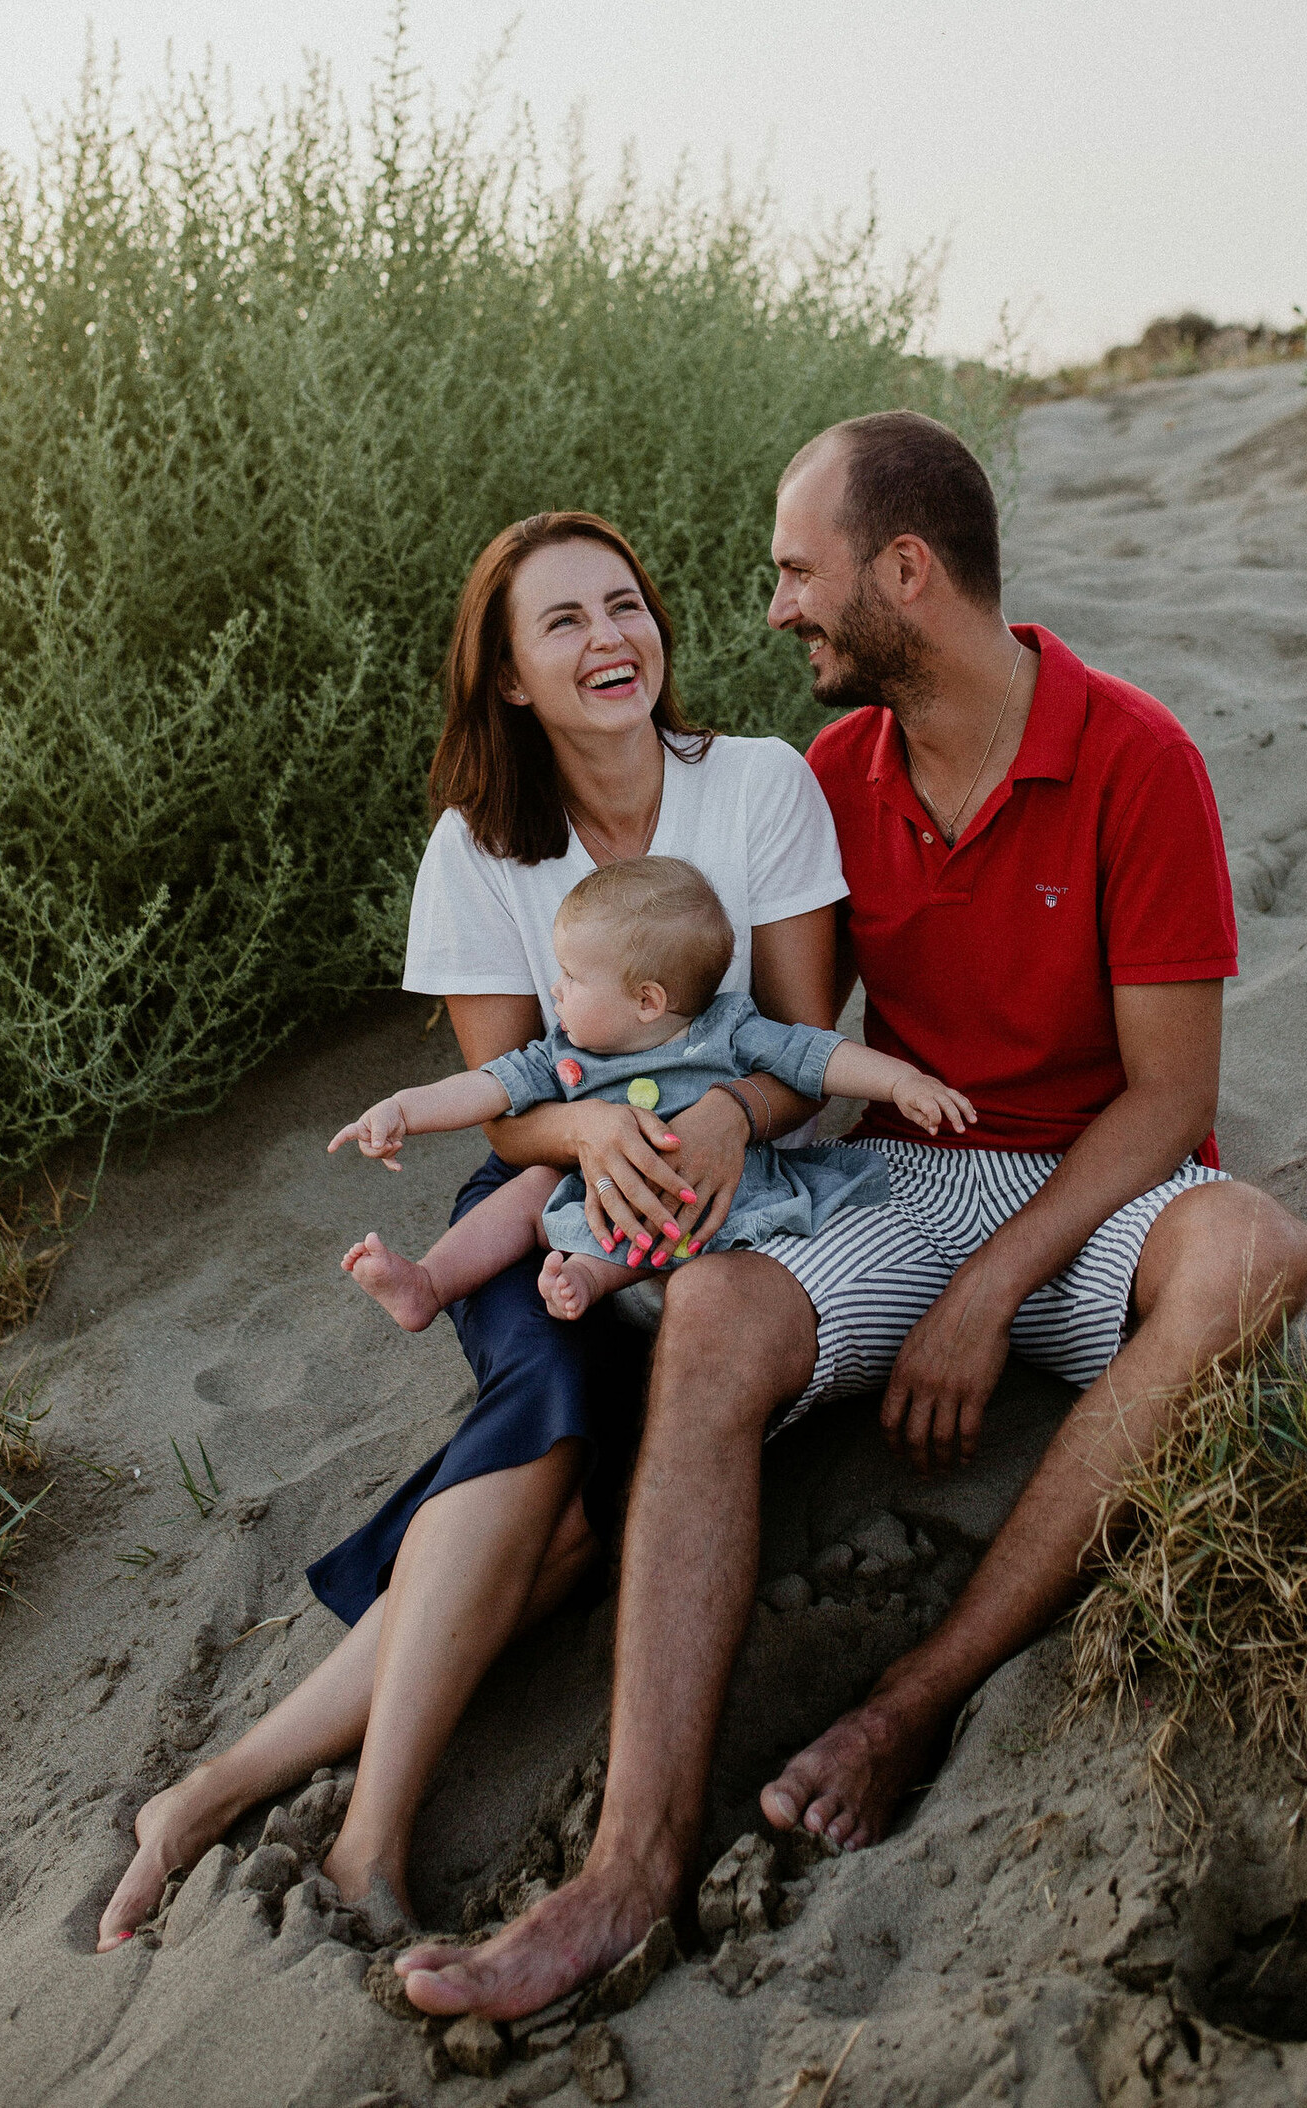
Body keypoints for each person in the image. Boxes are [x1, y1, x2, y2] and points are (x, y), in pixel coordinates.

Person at [393, 412, 1307, 2023]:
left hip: (1098, 1185)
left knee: (1255, 1250)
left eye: (798, 574)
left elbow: (1168, 1099)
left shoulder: (1134, 759)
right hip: (901, 1175)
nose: (772, 613)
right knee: (717, 1315)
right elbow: (771, 1051)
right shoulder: (831, 778)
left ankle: (915, 1698)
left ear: (905, 572)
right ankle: (628, 1869)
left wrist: (991, 1290)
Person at [97, 509, 851, 1949]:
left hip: (739, 1188)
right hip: (545, 1197)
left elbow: (809, 1043)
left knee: (569, 1526)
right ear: (508, 677)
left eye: (623, 605)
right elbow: (508, 1107)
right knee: (555, 1409)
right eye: (561, 623)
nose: (608, 639)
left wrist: (717, 1122)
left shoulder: (758, 787)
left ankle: (207, 1793)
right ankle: (369, 1841)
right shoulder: (480, 851)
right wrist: (604, 1134)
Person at [331, 855, 974, 1327]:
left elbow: (817, 1058)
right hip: (602, 1193)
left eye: (573, 977)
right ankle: (428, 1282)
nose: (554, 991)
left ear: (648, 1001)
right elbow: (482, 1089)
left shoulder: (729, 1029)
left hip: (718, 1199)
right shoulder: (565, 1054)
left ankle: (587, 1275)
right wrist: (403, 1111)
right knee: (526, 1189)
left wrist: (900, 1081)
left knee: (659, 1218)